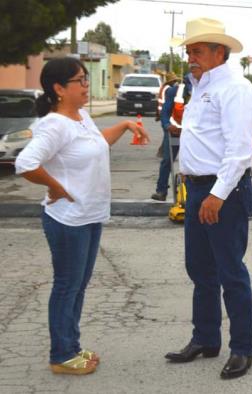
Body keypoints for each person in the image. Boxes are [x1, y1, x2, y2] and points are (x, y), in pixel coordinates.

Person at [14, 57, 149, 375]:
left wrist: (126, 124)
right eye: (80, 81)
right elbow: (25, 163)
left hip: (88, 215)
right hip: (67, 219)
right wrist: (55, 186)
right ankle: (61, 355)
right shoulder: (54, 124)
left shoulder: (81, 117)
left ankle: (71, 346)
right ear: (59, 89)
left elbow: (97, 143)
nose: (86, 86)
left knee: (78, 285)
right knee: (66, 285)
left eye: (87, 79)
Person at [163, 18, 252, 380]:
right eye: (189, 51)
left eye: (198, 51)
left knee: (230, 272)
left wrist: (217, 195)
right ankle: (205, 338)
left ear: (221, 52)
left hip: (225, 192)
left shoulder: (236, 88)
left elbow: (239, 150)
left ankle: (242, 349)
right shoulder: (200, 87)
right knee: (200, 270)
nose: (191, 57)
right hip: (197, 189)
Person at [151, 74, 192, 201]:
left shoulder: (206, 92)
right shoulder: (174, 92)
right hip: (174, 132)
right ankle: (161, 191)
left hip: (193, 136)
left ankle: (193, 192)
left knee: (192, 164)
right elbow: (165, 112)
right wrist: (167, 126)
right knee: (167, 161)